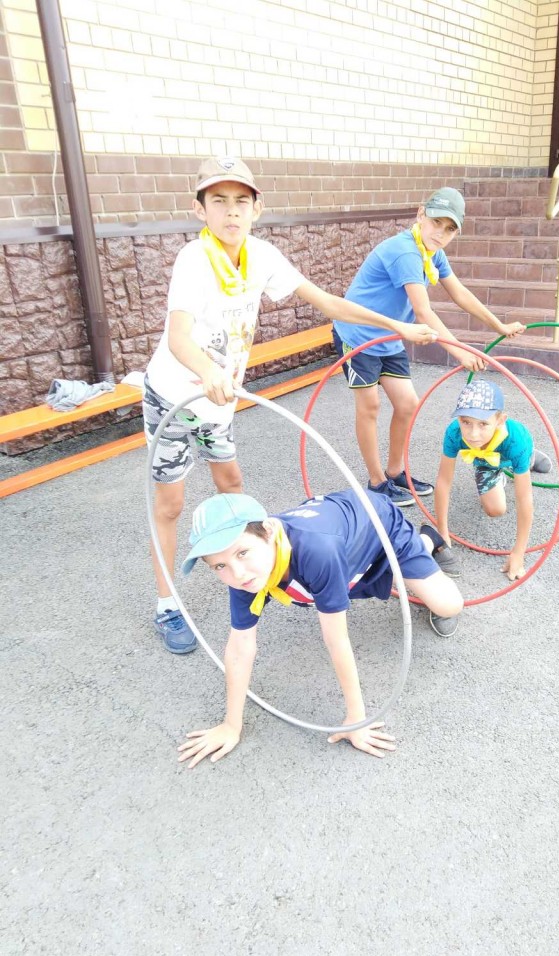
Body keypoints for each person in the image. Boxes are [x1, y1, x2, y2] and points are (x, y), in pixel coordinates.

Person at [144, 156, 438, 656]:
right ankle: (167, 604)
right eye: (219, 201)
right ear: (200, 210)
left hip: (220, 399)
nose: (231, 212)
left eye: (241, 202)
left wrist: (399, 326)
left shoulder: (261, 256)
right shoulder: (194, 260)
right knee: (171, 504)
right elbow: (178, 337)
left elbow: (329, 303)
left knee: (232, 485)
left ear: (256, 209)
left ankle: (246, 570)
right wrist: (209, 370)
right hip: (176, 394)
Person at [176, 489, 464, 768]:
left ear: (268, 531)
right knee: (327, 586)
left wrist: (356, 719)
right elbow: (240, 647)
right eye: (219, 566)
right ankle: (391, 570)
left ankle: (425, 540)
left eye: (242, 553)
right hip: (343, 543)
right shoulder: (245, 573)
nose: (237, 574)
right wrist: (231, 725)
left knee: (448, 605)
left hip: (380, 525)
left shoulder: (317, 551)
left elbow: (337, 639)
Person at [331, 186, 527, 509]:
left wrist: (500, 327)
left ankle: (395, 473)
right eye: (437, 222)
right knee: (370, 406)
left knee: (408, 404)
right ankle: (377, 483)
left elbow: (460, 293)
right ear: (421, 214)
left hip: (389, 336)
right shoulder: (406, 252)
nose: (441, 233)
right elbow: (423, 312)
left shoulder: (433, 253)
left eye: (450, 229)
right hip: (358, 335)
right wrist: (460, 352)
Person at [432, 379, 551, 582]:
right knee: (495, 509)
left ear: (500, 420)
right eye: (466, 422)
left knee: (519, 462)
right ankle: (500, 475)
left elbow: (524, 498)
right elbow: (443, 481)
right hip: (484, 462)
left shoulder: (516, 438)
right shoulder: (454, 432)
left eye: (483, 424)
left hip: (513, 451)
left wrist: (519, 552)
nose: (473, 433)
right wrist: (442, 533)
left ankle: (528, 460)